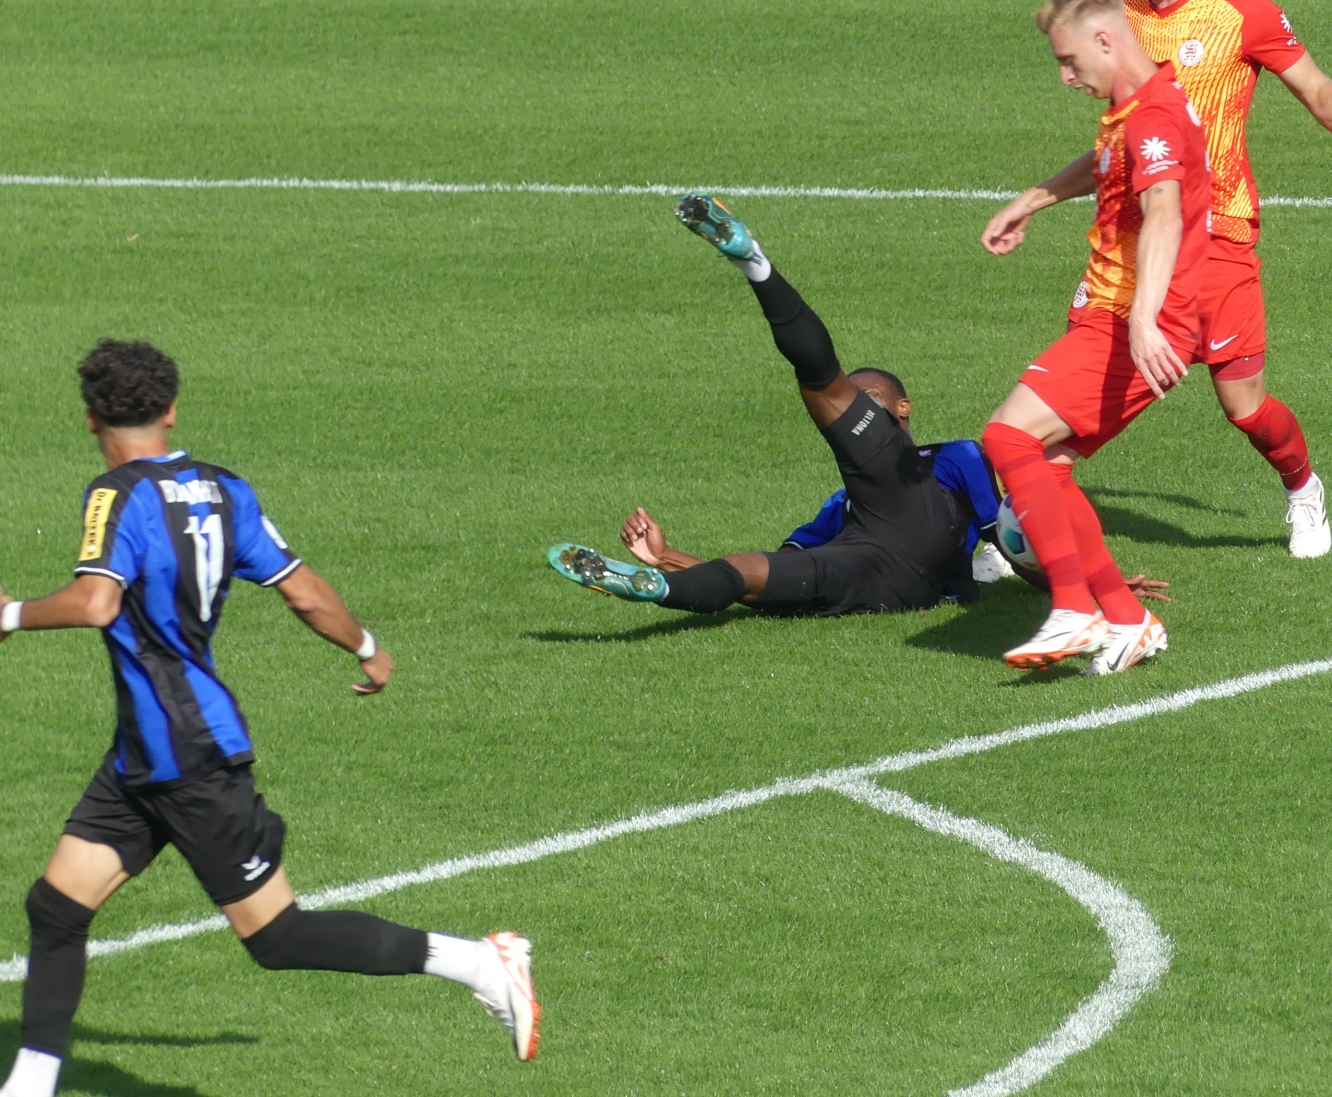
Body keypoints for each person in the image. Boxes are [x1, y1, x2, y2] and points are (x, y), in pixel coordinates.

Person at [0, 341, 540, 1097]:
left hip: (188, 756)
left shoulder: (114, 495)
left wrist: (12, 615)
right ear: (172, 410)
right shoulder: (225, 490)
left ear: (90, 417)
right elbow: (303, 590)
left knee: (278, 936)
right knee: (57, 907)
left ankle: (481, 962)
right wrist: (367, 647)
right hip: (144, 757)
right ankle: (29, 1086)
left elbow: (96, 603)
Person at [983, 0, 1332, 560]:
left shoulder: (1242, 12)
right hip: (1132, 249)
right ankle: (1015, 529)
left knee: (1244, 407)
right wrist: (1033, 199)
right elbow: (1117, 147)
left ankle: (1302, 487)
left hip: (1219, 238)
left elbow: (1314, 84)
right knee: (1071, 399)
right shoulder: (1116, 21)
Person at [548, 195, 1007, 618]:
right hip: (879, 579)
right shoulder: (841, 504)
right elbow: (767, 577)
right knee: (756, 573)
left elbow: (1009, 538)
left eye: (867, 399)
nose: (855, 407)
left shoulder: (952, 457)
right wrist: (665, 558)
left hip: (914, 525)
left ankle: (755, 264)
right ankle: (658, 588)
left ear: (902, 407)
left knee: (823, 382)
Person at [981, 0, 1214, 676]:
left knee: (1008, 437)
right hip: (1112, 313)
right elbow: (1109, 162)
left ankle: (1075, 609)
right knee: (1050, 468)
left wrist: (1143, 320)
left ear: (1106, 41)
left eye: (1069, 60)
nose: (1065, 76)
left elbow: (1165, 211)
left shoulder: (1153, 118)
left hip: (1131, 320)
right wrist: (1033, 200)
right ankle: (1128, 620)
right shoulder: (1136, 107)